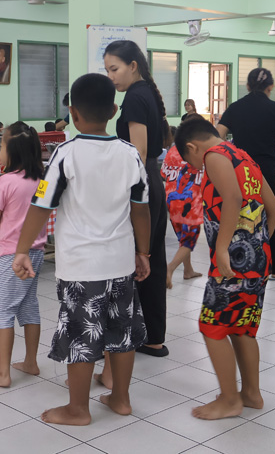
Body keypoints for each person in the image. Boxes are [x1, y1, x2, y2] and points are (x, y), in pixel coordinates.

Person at [12, 73, 150, 426]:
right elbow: (141, 209)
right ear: (114, 110)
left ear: (72, 113)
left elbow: (41, 205)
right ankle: (121, 398)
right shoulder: (130, 154)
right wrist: (144, 253)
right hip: (120, 262)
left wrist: (22, 249)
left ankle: (78, 409)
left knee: (81, 335)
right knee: (121, 333)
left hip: (81, 267)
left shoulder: (65, 153)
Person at [174, 117, 275, 420]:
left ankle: (230, 400)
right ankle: (251, 394)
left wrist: (223, 249)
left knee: (212, 326)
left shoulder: (214, 156)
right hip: (257, 260)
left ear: (193, 147)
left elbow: (232, 198)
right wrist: (259, 243)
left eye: (191, 162)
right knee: (241, 327)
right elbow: (273, 208)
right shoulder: (243, 156)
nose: (197, 167)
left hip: (232, 264)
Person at [105, 39, 169, 358]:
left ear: (132, 66)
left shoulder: (134, 97)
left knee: (138, 259)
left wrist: (127, 192)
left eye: (114, 69)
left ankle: (133, 334)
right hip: (153, 180)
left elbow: (138, 152)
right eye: (107, 70)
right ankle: (152, 337)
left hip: (141, 184)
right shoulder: (146, 92)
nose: (111, 76)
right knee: (152, 259)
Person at [217, 67, 275, 280]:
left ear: (247, 86)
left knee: (239, 216)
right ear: (270, 87)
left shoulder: (235, 107)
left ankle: (239, 263)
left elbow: (218, 135)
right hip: (265, 170)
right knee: (270, 214)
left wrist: (232, 156)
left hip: (239, 171)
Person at [0, 122, 47, 388]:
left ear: (13, 151)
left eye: (1, 145)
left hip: (11, 255)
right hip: (37, 252)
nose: (0, 150)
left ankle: (3, 373)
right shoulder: (42, 181)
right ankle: (31, 362)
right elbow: (43, 209)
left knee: (4, 310)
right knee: (29, 305)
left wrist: (3, 234)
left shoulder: (6, 181)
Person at [161, 116, 203, 288]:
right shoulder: (198, 151)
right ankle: (170, 269)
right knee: (188, 240)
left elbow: (164, 174)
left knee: (182, 238)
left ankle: (188, 270)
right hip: (191, 204)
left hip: (171, 201)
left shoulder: (172, 151)